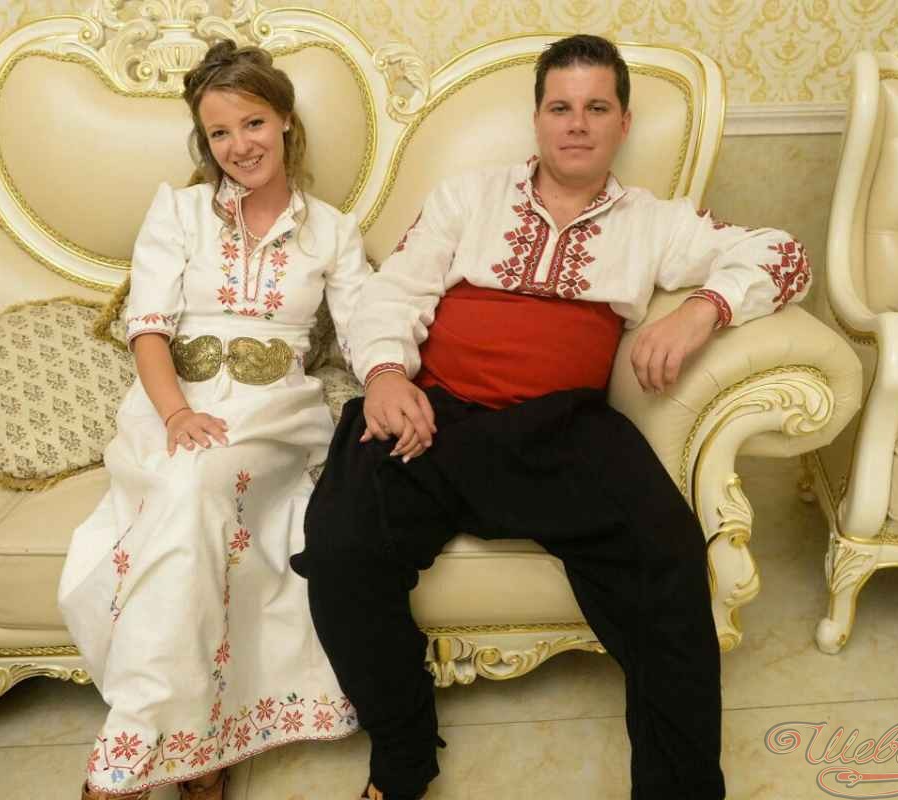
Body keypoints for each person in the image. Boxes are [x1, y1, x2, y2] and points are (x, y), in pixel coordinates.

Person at [291, 33, 811, 800]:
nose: (577, 124)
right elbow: (394, 291)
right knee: (340, 549)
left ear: (623, 123)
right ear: (537, 118)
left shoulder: (655, 221)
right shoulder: (468, 197)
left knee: (668, 560)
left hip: (563, 432)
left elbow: (784, 255)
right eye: (561, 107)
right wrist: (386, 375)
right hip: (434, 415)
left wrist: (703, 309)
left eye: (597, 108)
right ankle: (403, 756)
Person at [58, 40, 369, 800]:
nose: (239, 146)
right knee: (186, 489)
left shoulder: (333, 230)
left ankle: (128, 752)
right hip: (172, 407)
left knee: (197, 487)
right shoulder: (178, 211)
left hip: (273, 416)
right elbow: (148, 328)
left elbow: (368, 330)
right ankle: (198, 749)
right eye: (220, 132)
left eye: (253, 123)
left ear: (285, 120)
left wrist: (394, 378)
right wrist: (174, 415)